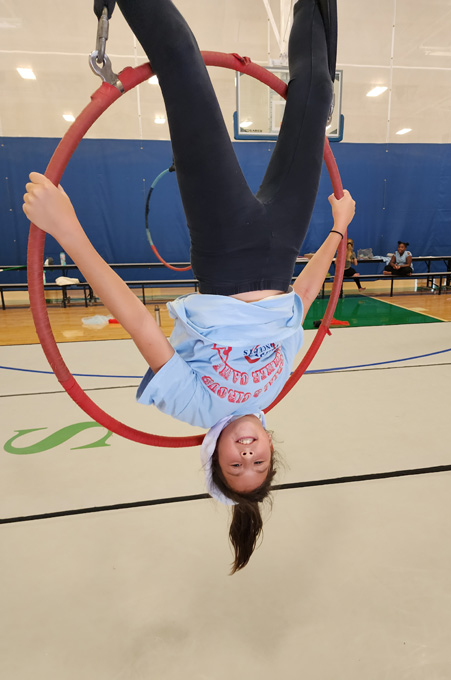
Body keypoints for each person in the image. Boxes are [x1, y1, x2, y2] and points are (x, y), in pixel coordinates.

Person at [23, 0, 355, 572]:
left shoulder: (195, 406)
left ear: (214, 457)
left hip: (225, 251)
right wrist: (339, 233)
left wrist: (70, 234)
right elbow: (299, 301)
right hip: (283, 245)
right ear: (273, 449)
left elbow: (138, 321)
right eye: (259, 464)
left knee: (181, 60)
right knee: (316, 91)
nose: (248, 455)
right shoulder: (275, 386)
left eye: (236, 465)